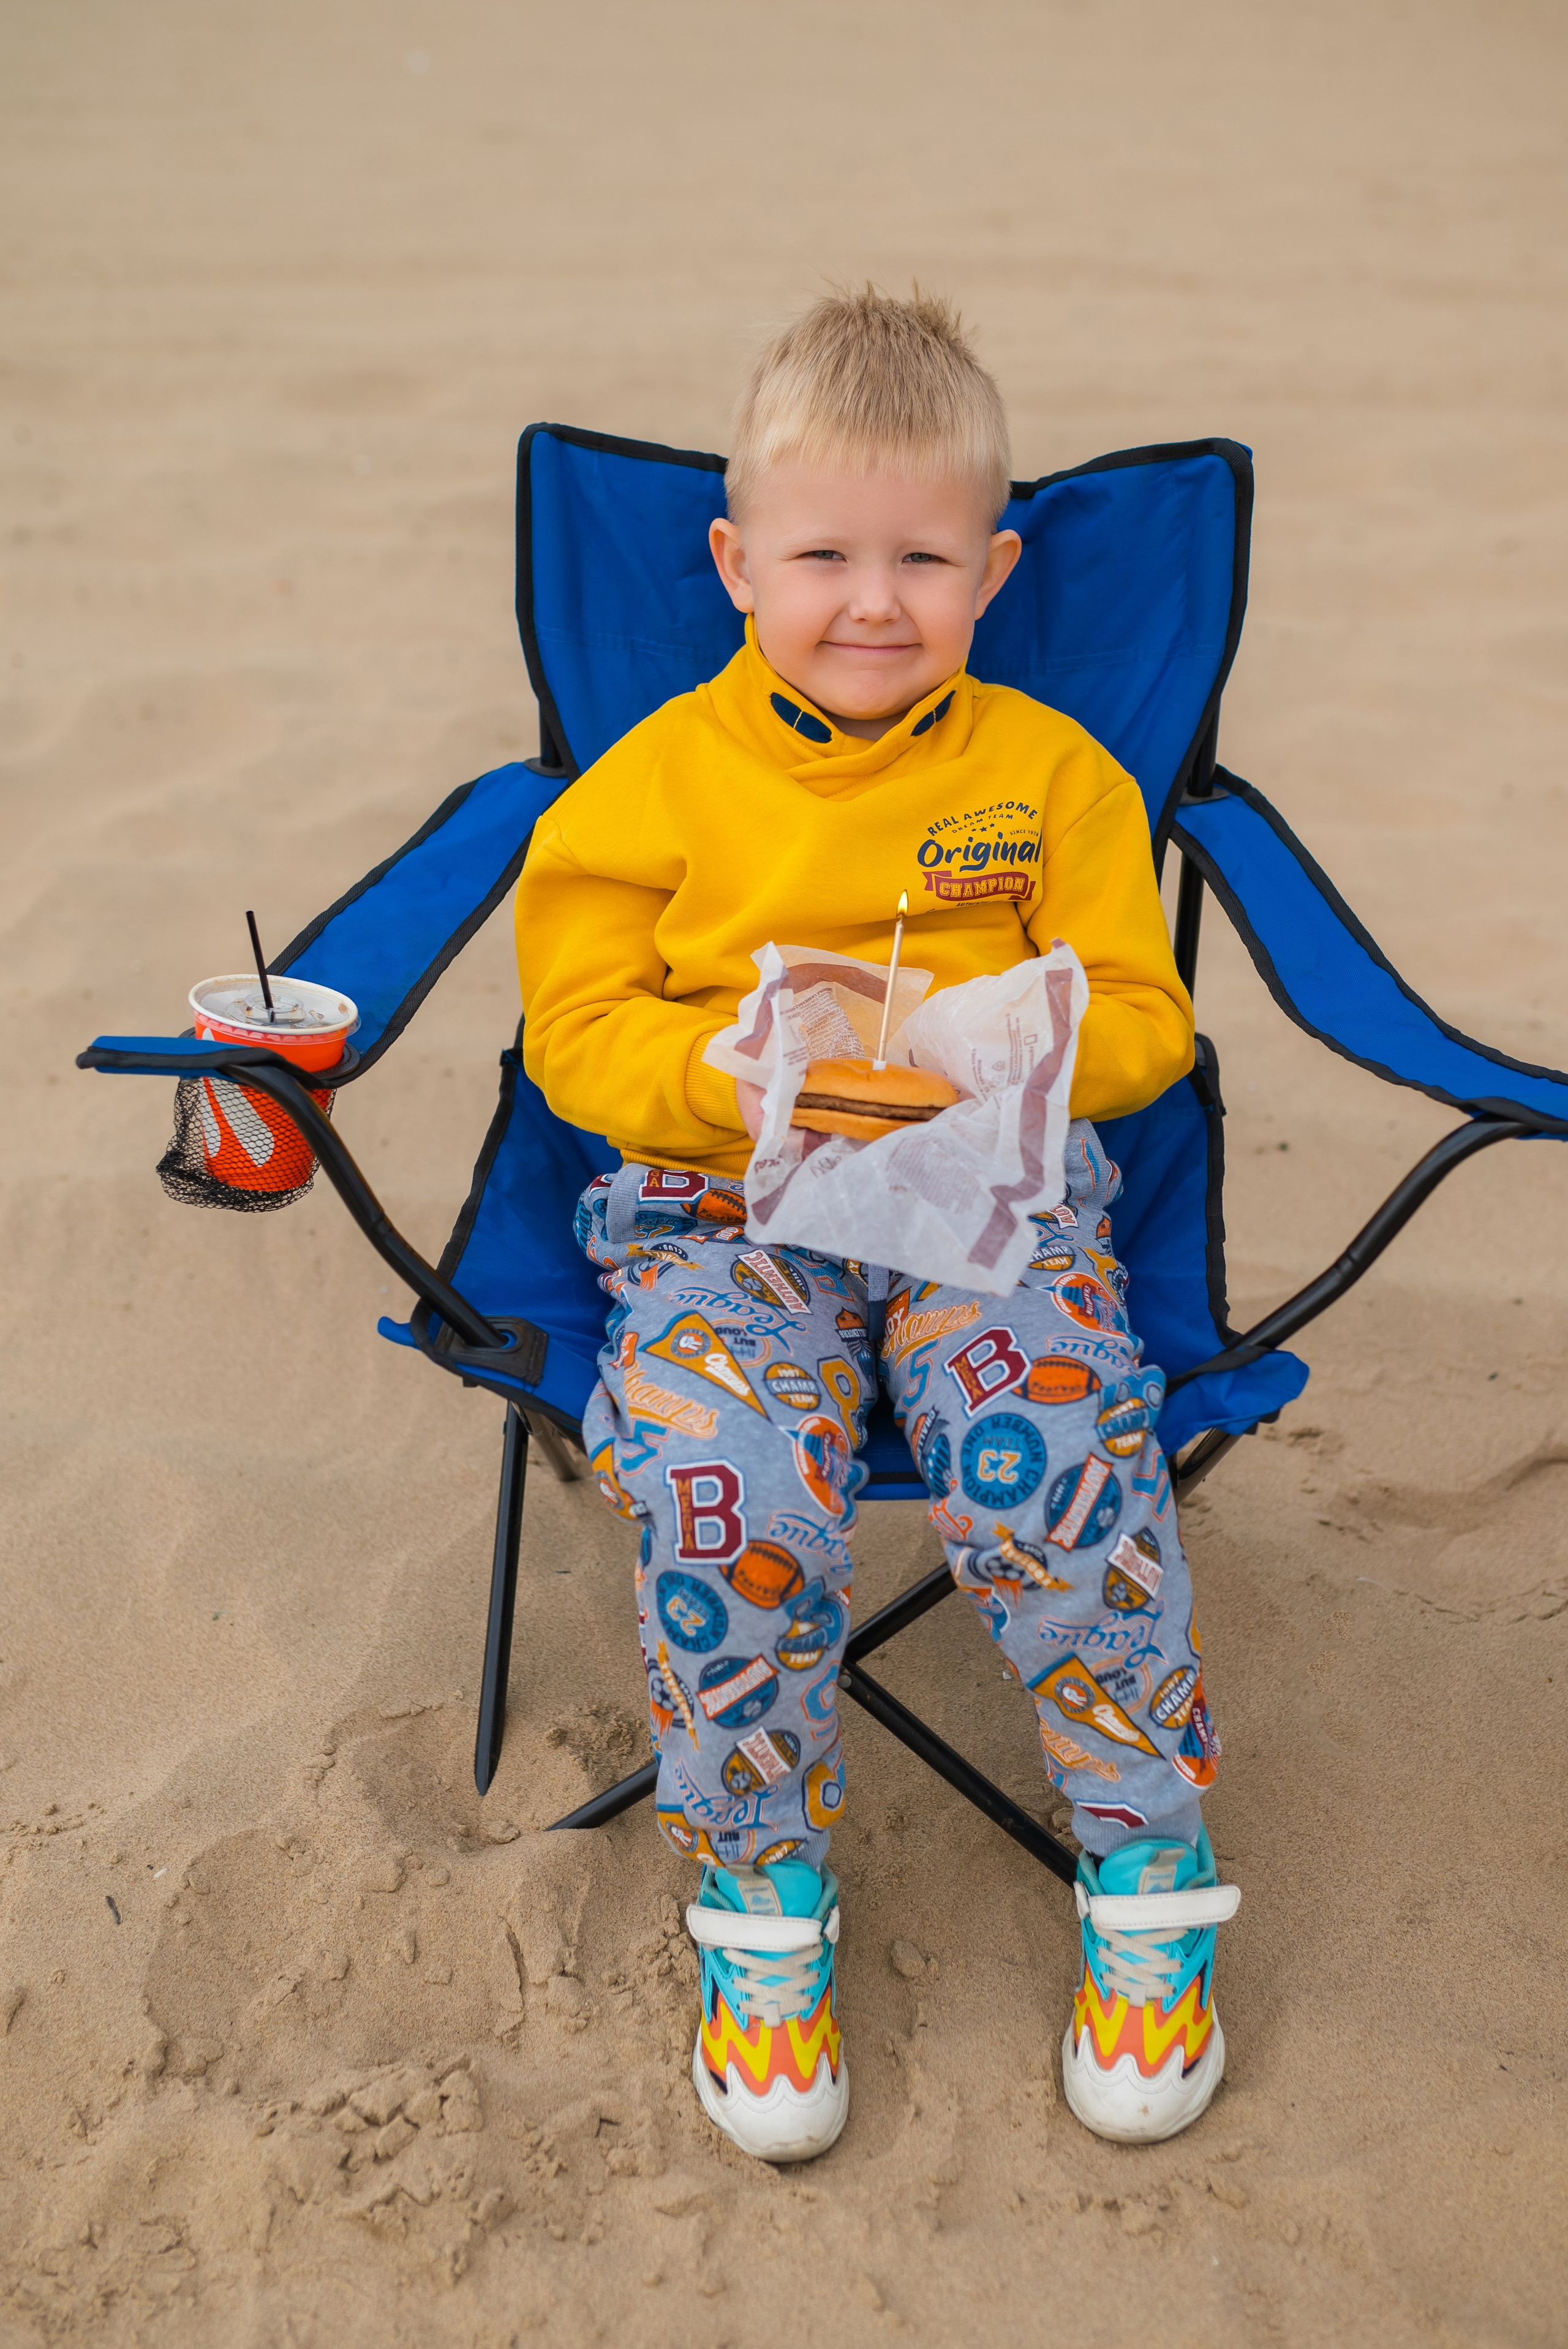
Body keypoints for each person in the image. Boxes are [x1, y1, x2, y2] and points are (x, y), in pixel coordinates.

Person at [515, 287, 1240, 2164]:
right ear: (732, 560)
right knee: (721, 1477)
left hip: (981, 1195)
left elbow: (1149, 1016)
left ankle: (1149, 1866)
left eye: (923, 558)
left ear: (996, 568)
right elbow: (576, 1029)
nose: (870, 602)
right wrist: (737, 1080)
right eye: (822, 554)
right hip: (721, 1205)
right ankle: (762, 1905)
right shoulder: (654, 781)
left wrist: (991, 1047)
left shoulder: (1052, 776)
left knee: (1054, 1452)